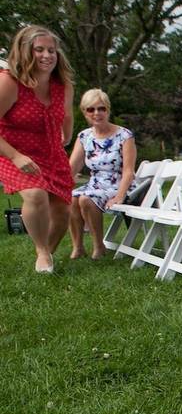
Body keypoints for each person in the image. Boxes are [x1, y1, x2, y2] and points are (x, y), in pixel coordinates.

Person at [0, 25, 75, 273]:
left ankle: (48, 255)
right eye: (39, 50)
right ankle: (42, 252)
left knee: (63, 212)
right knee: (35, 195)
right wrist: (15, 156)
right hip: (13, 150)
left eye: (51, 50)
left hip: (52, 153)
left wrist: (66, 134)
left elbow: (67, 114)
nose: (47, 55)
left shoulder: (62, 84)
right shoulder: (9, 82)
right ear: (24, 52)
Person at [67, 89, 137, 259]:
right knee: (70, 197)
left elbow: (128, 171)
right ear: (84, 112)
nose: (96, 113)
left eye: (101, 108)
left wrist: (119, 196)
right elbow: (71, 168)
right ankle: (78, 246)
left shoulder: (124, 135)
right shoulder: (84, 136)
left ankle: (99, 245)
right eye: (91, 109)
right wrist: (58, 189)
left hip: (120, 184)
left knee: (85, 199)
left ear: (108, 110)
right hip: (95, 184)